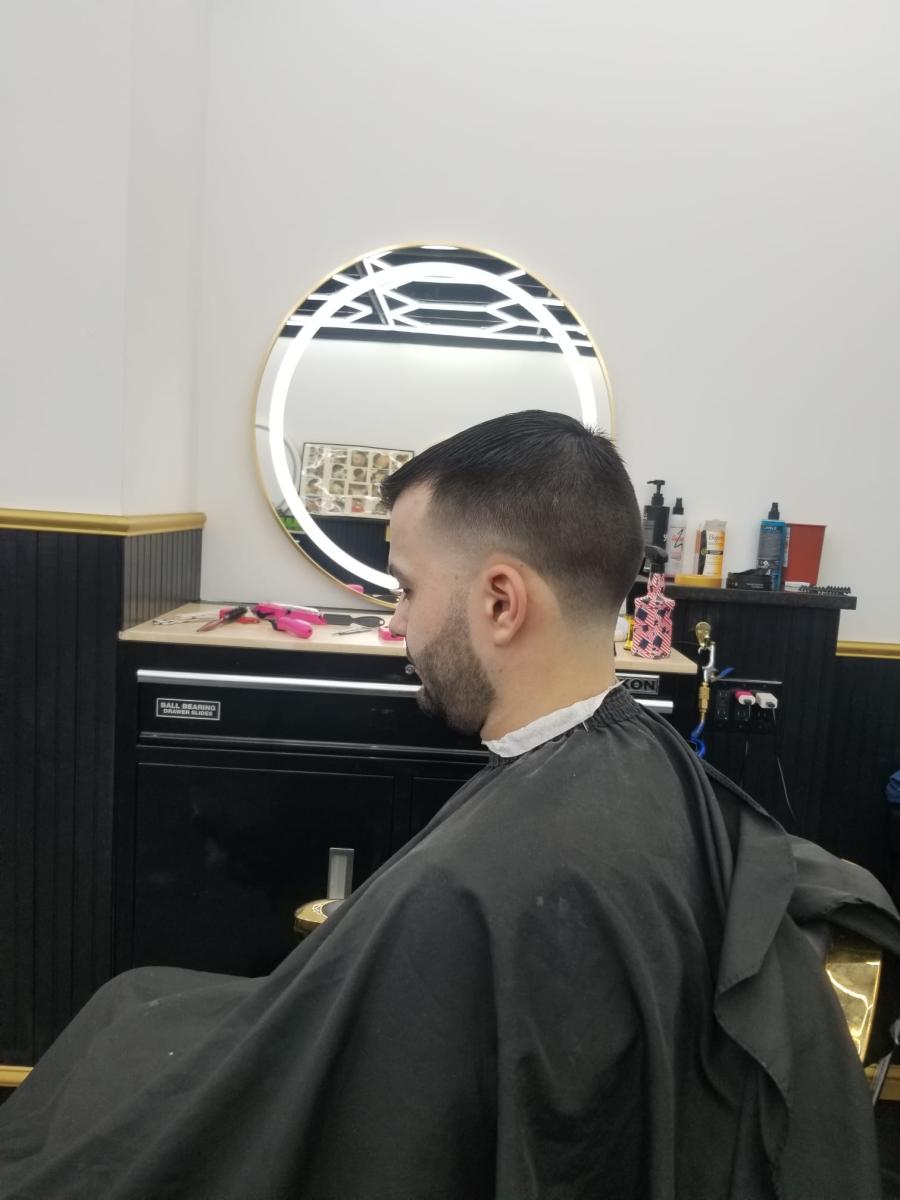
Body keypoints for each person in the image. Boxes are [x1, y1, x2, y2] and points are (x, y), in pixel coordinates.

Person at [1, 410, 898, 1199]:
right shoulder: (638, 761)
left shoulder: (487, 882)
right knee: (134, 1004)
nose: (396, 622)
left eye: (406, 587)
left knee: (114, 1039)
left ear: (501, 600)